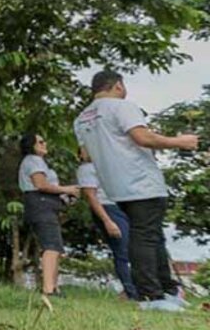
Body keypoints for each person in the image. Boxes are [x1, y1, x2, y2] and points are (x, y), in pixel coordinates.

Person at [74, 70, 198, 312]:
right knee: (145, 236)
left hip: (115, 186)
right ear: (118, 85)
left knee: (152, 235)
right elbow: (142, 137)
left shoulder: (82, 118)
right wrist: (180, 142)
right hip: (141, 181)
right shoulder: (122, 106)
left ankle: (168, 291)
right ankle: (151, 296)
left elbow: (87, 154)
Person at [17, 133, 79, 298]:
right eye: (41, 142)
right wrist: (67, 189)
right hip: (40, 204)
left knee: (55, 247)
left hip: (45, 205)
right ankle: (48, 289)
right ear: (32, 145)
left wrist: (65, 198)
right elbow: (41, 184)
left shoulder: (38, 162)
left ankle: (53, 287)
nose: (45, 144)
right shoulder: (33, 160)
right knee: (51, 246)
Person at [76, 149, 138, 300]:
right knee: (122, 251)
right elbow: (91, 197)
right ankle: (132, 292)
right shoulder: (86, 169)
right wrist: (107, 221)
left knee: (132, 250)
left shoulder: (105, 165)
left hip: (119, 207)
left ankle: (132, 289)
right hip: (107, 209)